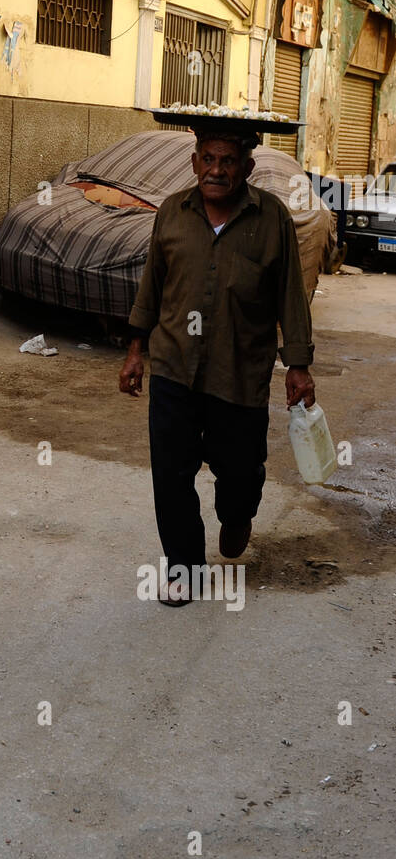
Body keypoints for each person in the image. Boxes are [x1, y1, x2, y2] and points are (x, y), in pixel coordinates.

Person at [118, 128, 316, 605]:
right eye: (208, 159)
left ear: (247, 168)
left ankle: (237, 514)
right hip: (174, 367)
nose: (217, 170)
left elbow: (291, 293)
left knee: (241, 471)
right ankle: (184, 568)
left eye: (228, 161)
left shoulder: (271, 219)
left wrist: (298, 364)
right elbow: (153, 286)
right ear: (194, 163)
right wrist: (135, 350)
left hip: (240, 371)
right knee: (170, 474)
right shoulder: (172, 213)